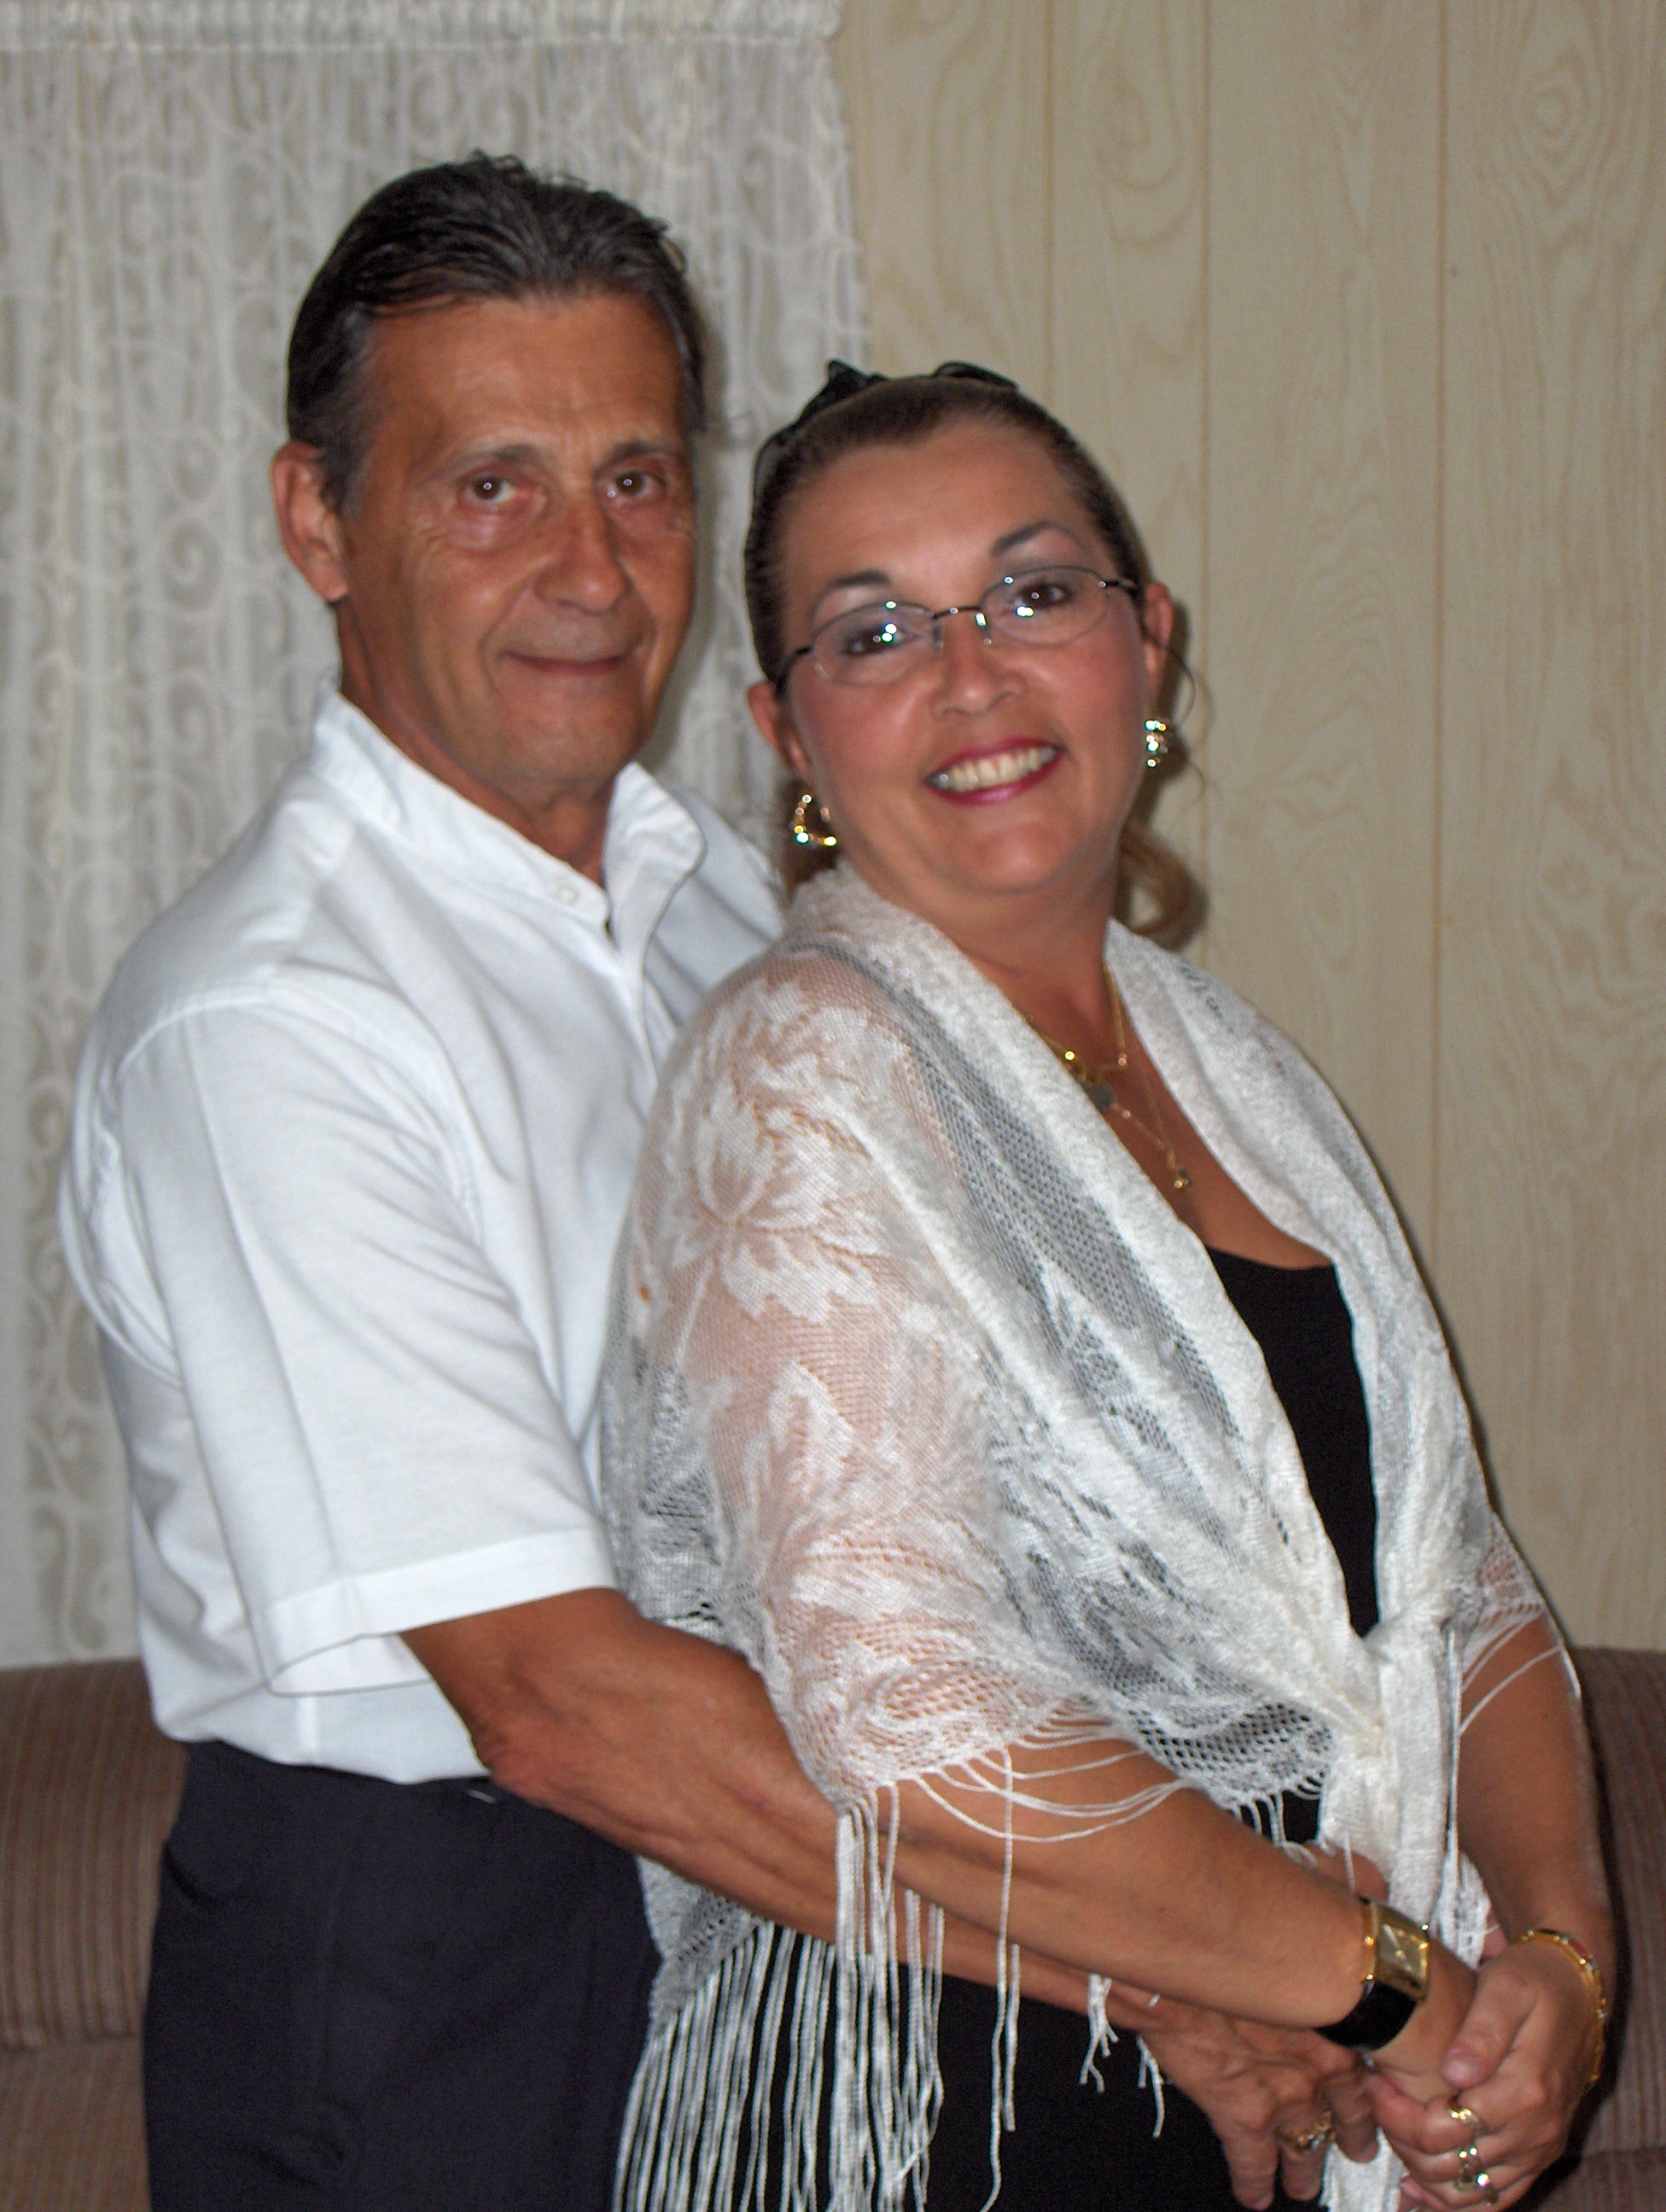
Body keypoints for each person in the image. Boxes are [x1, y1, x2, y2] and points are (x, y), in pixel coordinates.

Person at [57, 158, 1349, 2212]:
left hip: (797, 1906)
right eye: (492, 487)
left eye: (637, 480)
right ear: (318, 521)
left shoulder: (722, 916)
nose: (589, 568)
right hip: (445, 1958)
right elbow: (561, 1706)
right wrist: (1167, 1964)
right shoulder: (271, 1026)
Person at [599, 363, 1616, 2212]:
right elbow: (914, 1724)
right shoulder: (803, 1066)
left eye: (1033, 592)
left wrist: (1555, 1955)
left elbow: (1454, 1584)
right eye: (876, 631)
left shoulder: (1235, 1068)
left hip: (1292, 2069)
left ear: (1145, 641)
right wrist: (1400, 1989)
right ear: (787, 732)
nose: (971, 675)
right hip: (946, 2107)